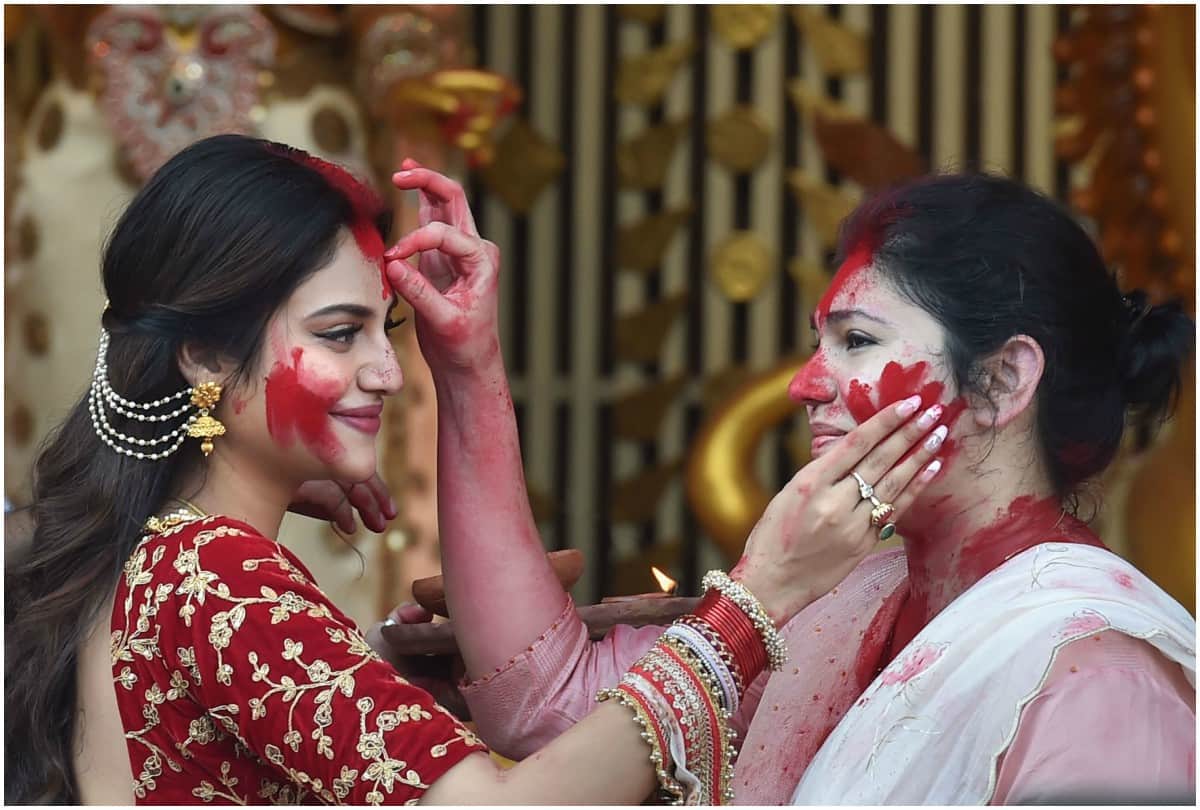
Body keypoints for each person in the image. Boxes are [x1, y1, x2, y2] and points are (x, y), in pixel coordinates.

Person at [4, 134, 947, 805]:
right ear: (206, 356)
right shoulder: (216, 575)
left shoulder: (152, 558)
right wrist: (758, 600)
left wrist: (398, 686)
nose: (383, 371)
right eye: (340, 333)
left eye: (390, 329)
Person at [404, 173, 1197, 804]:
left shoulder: (1101, 676)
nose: (805, 385)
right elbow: (547, 704)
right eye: (818, 342)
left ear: (1000, 380)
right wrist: (467, 366)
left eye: (856, 340)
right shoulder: (849, 599)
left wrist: (760, 595)